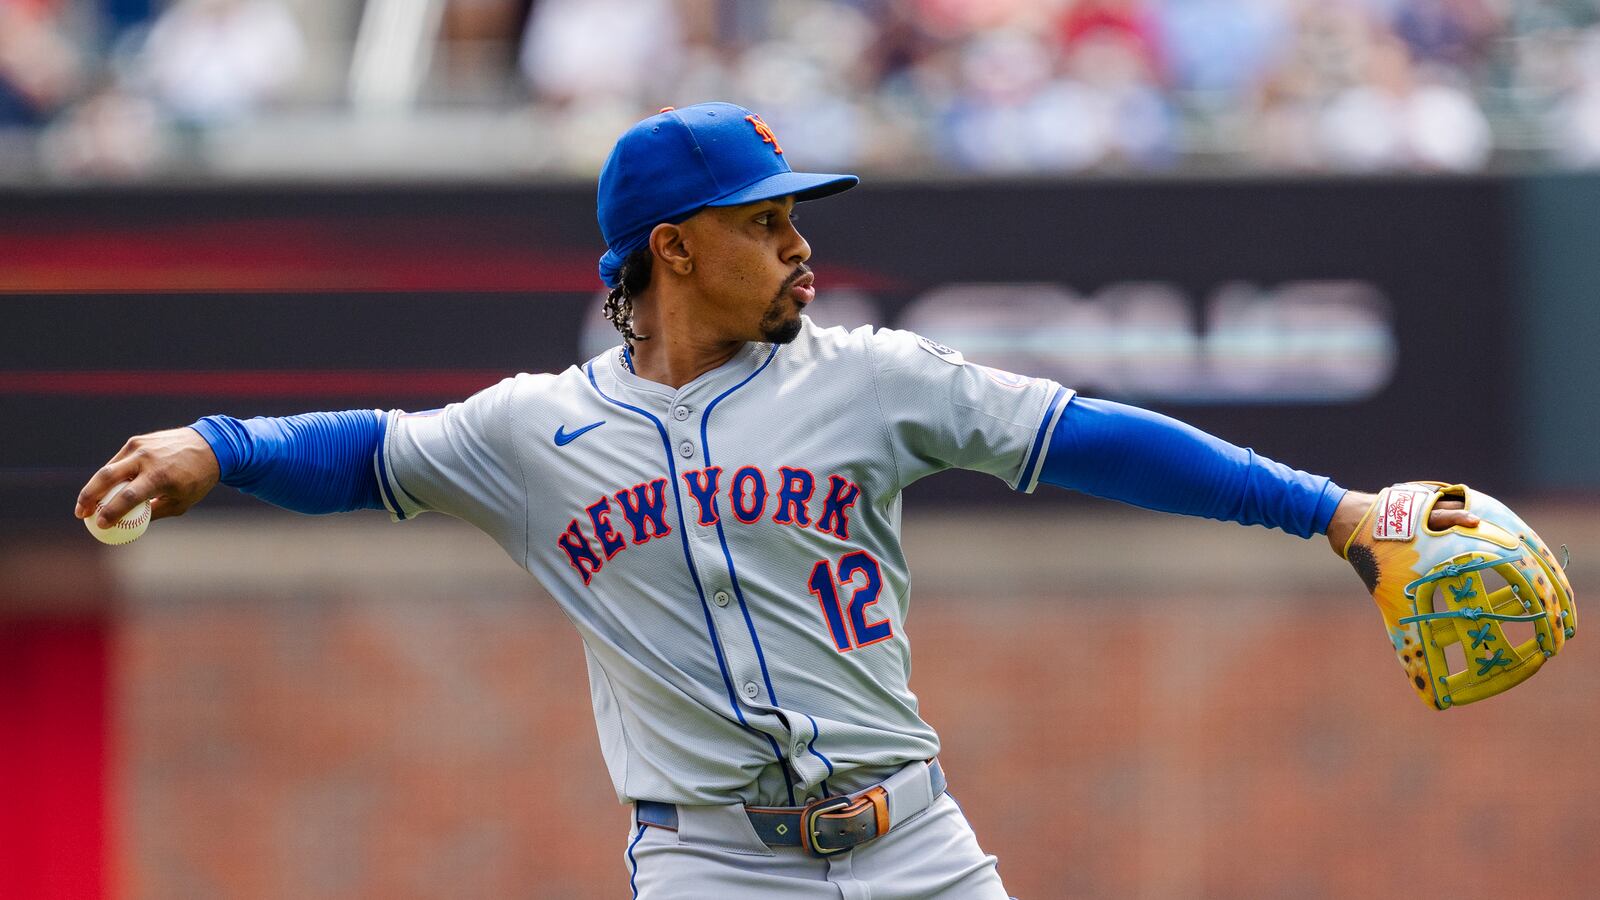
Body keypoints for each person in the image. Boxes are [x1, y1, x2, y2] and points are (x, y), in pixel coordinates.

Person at [76, 101, 1477, 898]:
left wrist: (1332, 511)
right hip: (710, 873)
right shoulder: (535, 429)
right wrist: (218, 445)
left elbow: (1090, 435)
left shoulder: (867, 377)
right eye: (767, 222)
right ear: (672, 251)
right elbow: (371, 451)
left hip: (912, 841)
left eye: (797, 214)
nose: (801, 245)